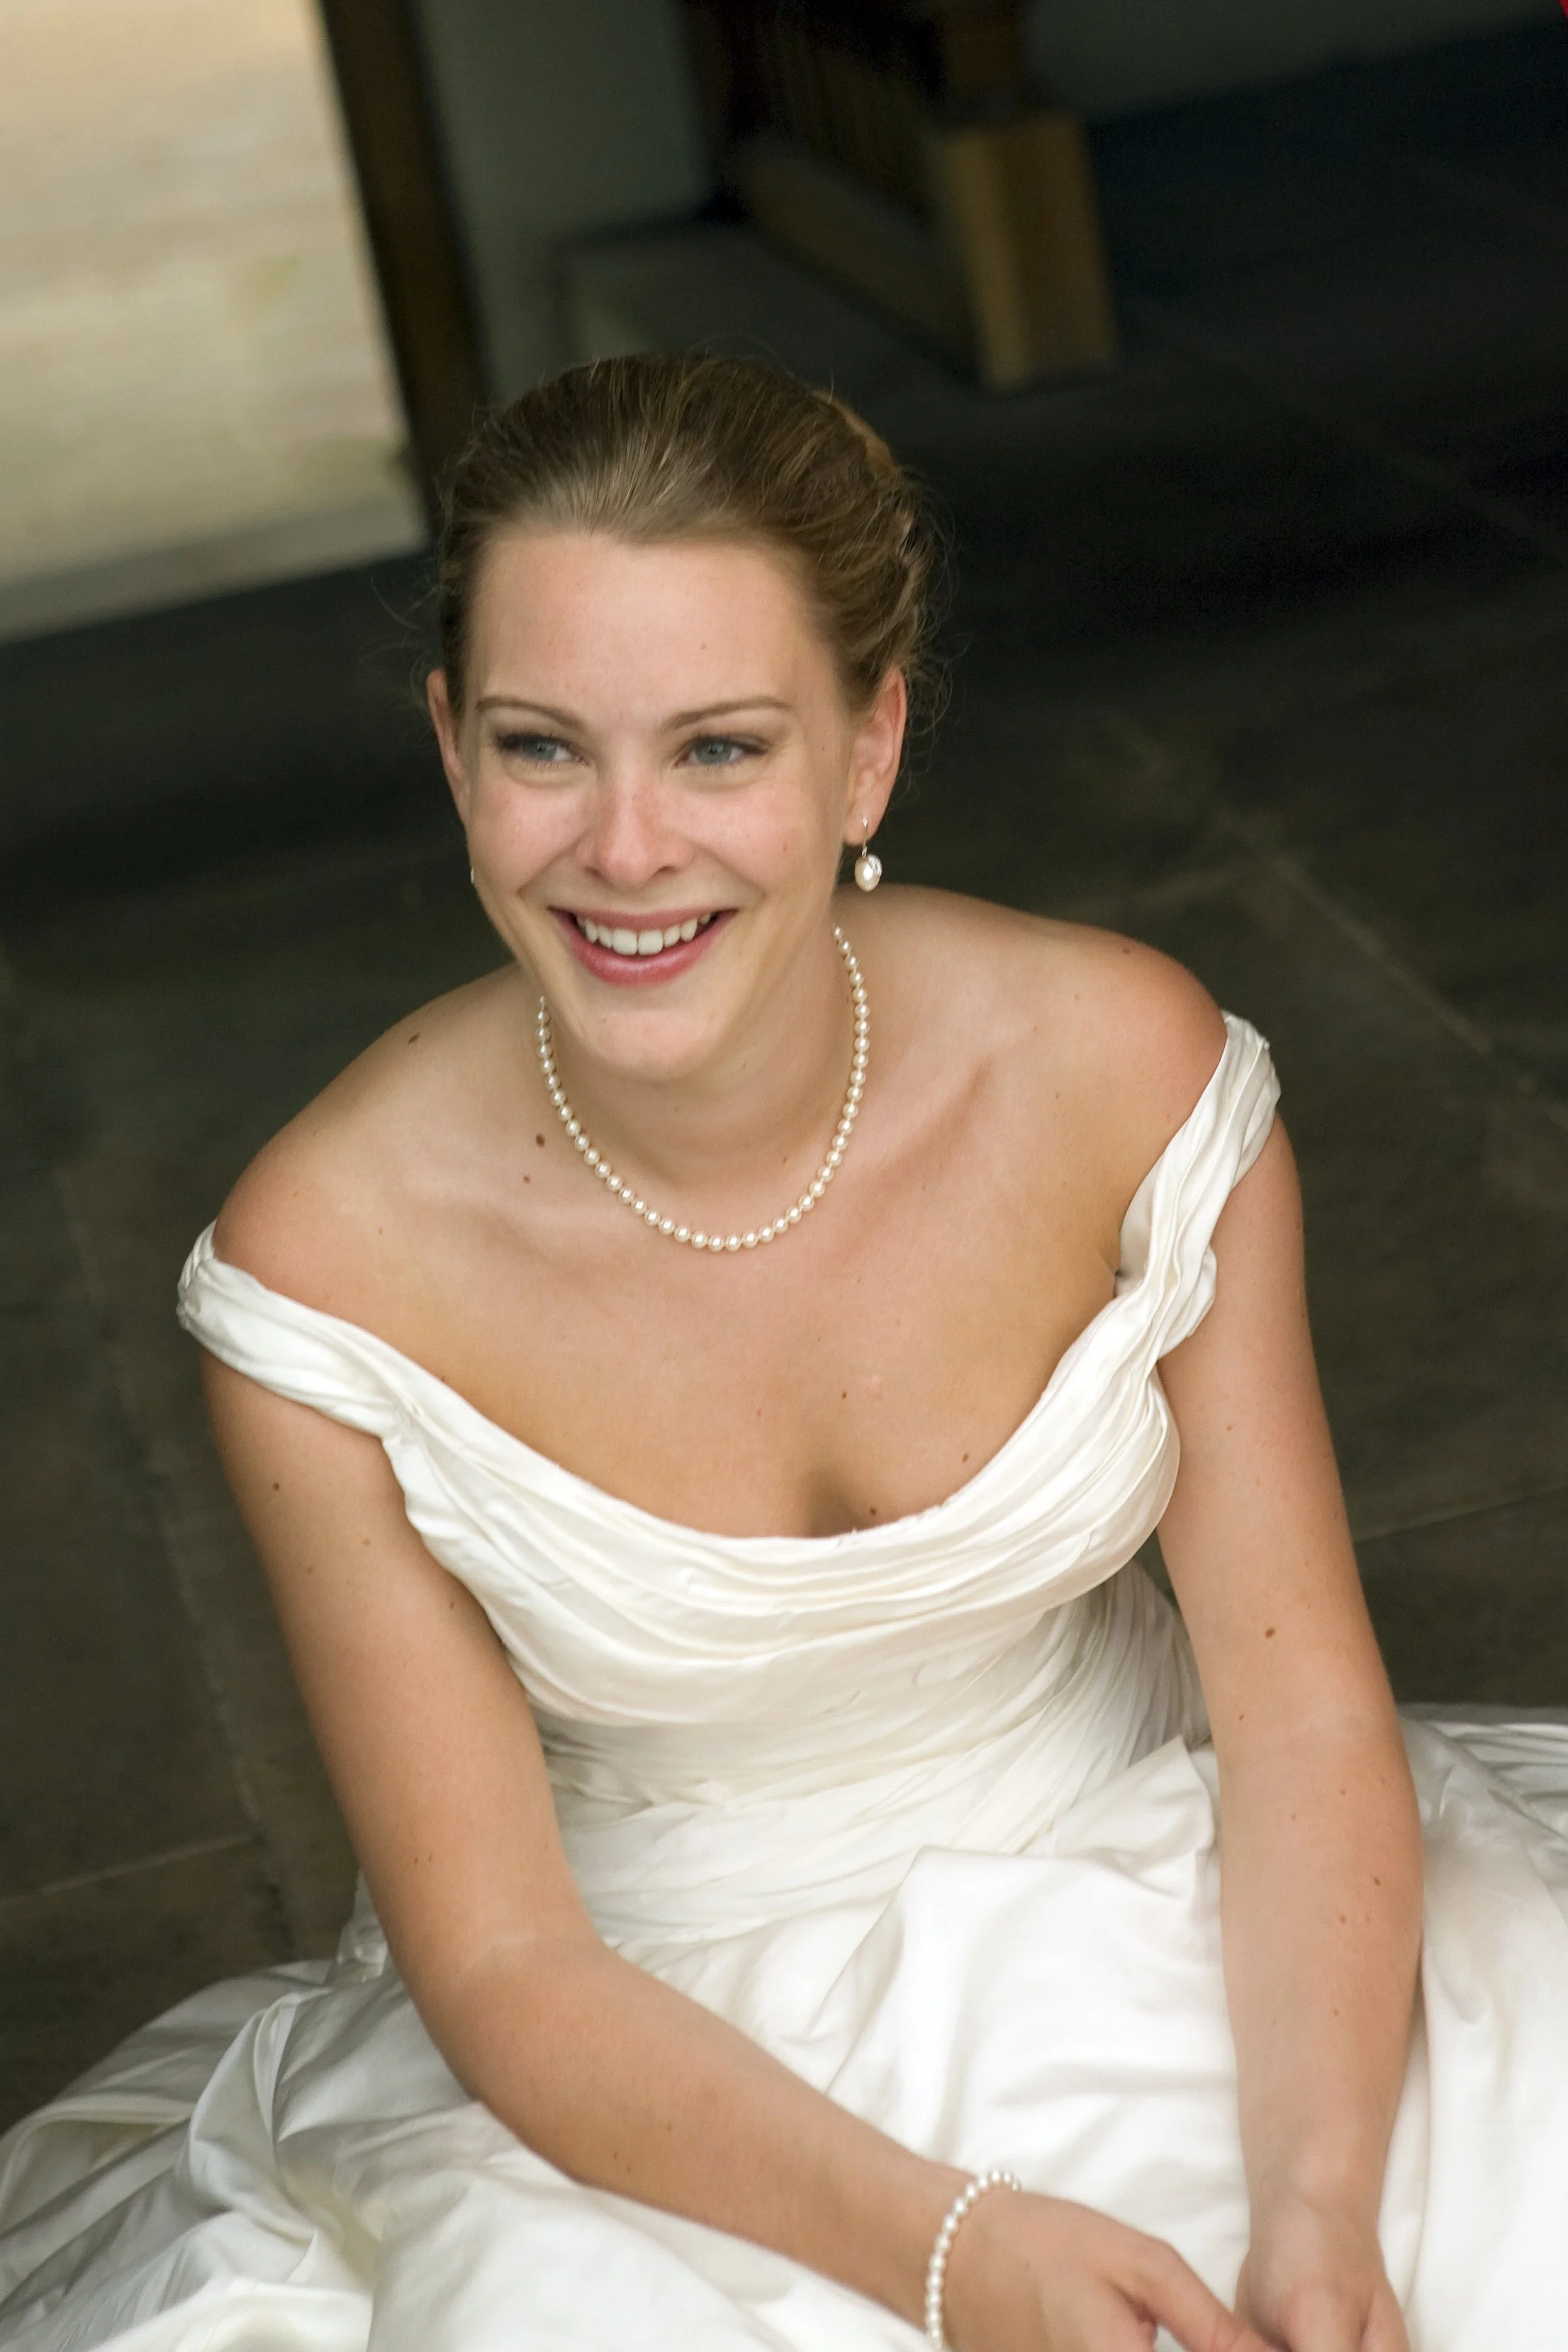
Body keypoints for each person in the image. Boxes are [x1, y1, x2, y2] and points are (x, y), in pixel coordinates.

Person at [2, 354, 1567, 2352]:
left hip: (1213, 1912)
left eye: (722, 748)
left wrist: (1327, 2204)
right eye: (541, 746)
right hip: (640, 2056)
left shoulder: (1123, 1075)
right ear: (448, 751)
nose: (626, 848)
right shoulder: (327, 1275)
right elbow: (497, 1959)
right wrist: (948, 2255)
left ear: (869, 748)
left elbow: (1299, 1719)